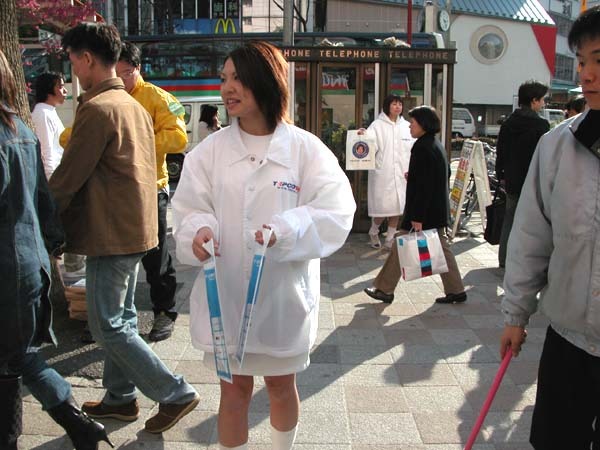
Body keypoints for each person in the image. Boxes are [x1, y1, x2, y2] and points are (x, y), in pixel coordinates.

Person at [171, 41, 356, 450]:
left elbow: (336, 209)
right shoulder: (210, 152)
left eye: (238, 78)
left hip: (281, 297)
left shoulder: (304, 149)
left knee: (279, 385)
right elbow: (188, 208)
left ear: (266, 81)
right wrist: (198, 231)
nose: (227, 88)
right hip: (228, 297)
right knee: (233, 392)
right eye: (224, 78)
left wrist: (286, 229)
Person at [49, 22, 199, 434]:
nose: (73, 71)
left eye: (74, 60)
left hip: (112, 232)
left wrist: (41, 215)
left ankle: (175, 392)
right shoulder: (131, 102)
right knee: (124, 318)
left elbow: (68, 177)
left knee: (107, 323)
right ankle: (120, 398)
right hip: (134, 227)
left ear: (88, 58)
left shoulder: (98, 108)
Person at [0, 49, 111, 450]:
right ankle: (72, 427)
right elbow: (44, 200)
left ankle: (73, 425)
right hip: (26, 263)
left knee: (17, 357)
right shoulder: (20, 129)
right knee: (16, 357)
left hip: (7, 267)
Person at [500, 6, 600, 449]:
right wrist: (516, 314)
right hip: (570, 340)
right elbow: (531, 238)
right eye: (582, 62)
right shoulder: (558, 145)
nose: (588, 75)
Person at [116, 41, 188, 342]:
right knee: (115, 257)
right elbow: (73, 134)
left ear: (139, 69)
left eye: (127, 73)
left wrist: (134, 141)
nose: (121, 80)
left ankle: (164, 311)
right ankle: (113, 318)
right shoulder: (101, 96)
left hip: (149, 188)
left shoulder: (158, 98)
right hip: (114, 190)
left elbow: (178, 139)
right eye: (115, 73)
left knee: (155, 256)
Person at [364, 106, 466, 305]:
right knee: (436, 248)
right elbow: (440, 176)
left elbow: (425, 187)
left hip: (424, 213)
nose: (410, 125)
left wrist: (417, 217)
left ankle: (385, 289)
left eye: (414, 122)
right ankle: (456, 290)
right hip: (435, 210)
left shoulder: (422, 147)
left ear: (424, 124)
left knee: (404, 246)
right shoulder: (435, 144)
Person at [31, 72, 88, 282]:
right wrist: (54, 185)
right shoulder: (42, 113)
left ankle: (74, 264)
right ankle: (73, 265)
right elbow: (47, 152)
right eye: (61, 86)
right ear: (51, 89)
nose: (65, 91)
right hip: (54, 179)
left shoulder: (49, 111)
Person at [494, 80, 550, 268]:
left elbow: (500, 152)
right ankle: (525, 261)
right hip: (533, 180)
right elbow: (543, 156)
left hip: (512, 180)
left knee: (509, 219)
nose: (543, 104)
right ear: (534, 101)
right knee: (532, 223)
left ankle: (504, 259)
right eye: (542, 100)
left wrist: (501, 173)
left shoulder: (509, 123)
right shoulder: (541, 126)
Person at [359, 94, 414, 250]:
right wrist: (363, 136)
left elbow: (413, 147)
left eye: (400, 104)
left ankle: (390, 238)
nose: (397, 107)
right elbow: (368, 146)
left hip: (402, 173)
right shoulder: (377, 125)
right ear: (387, 106)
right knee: (382, 208)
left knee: (397, 207)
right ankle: (374, 230)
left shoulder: (406, 126)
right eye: (394, 104)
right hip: (383, 172)